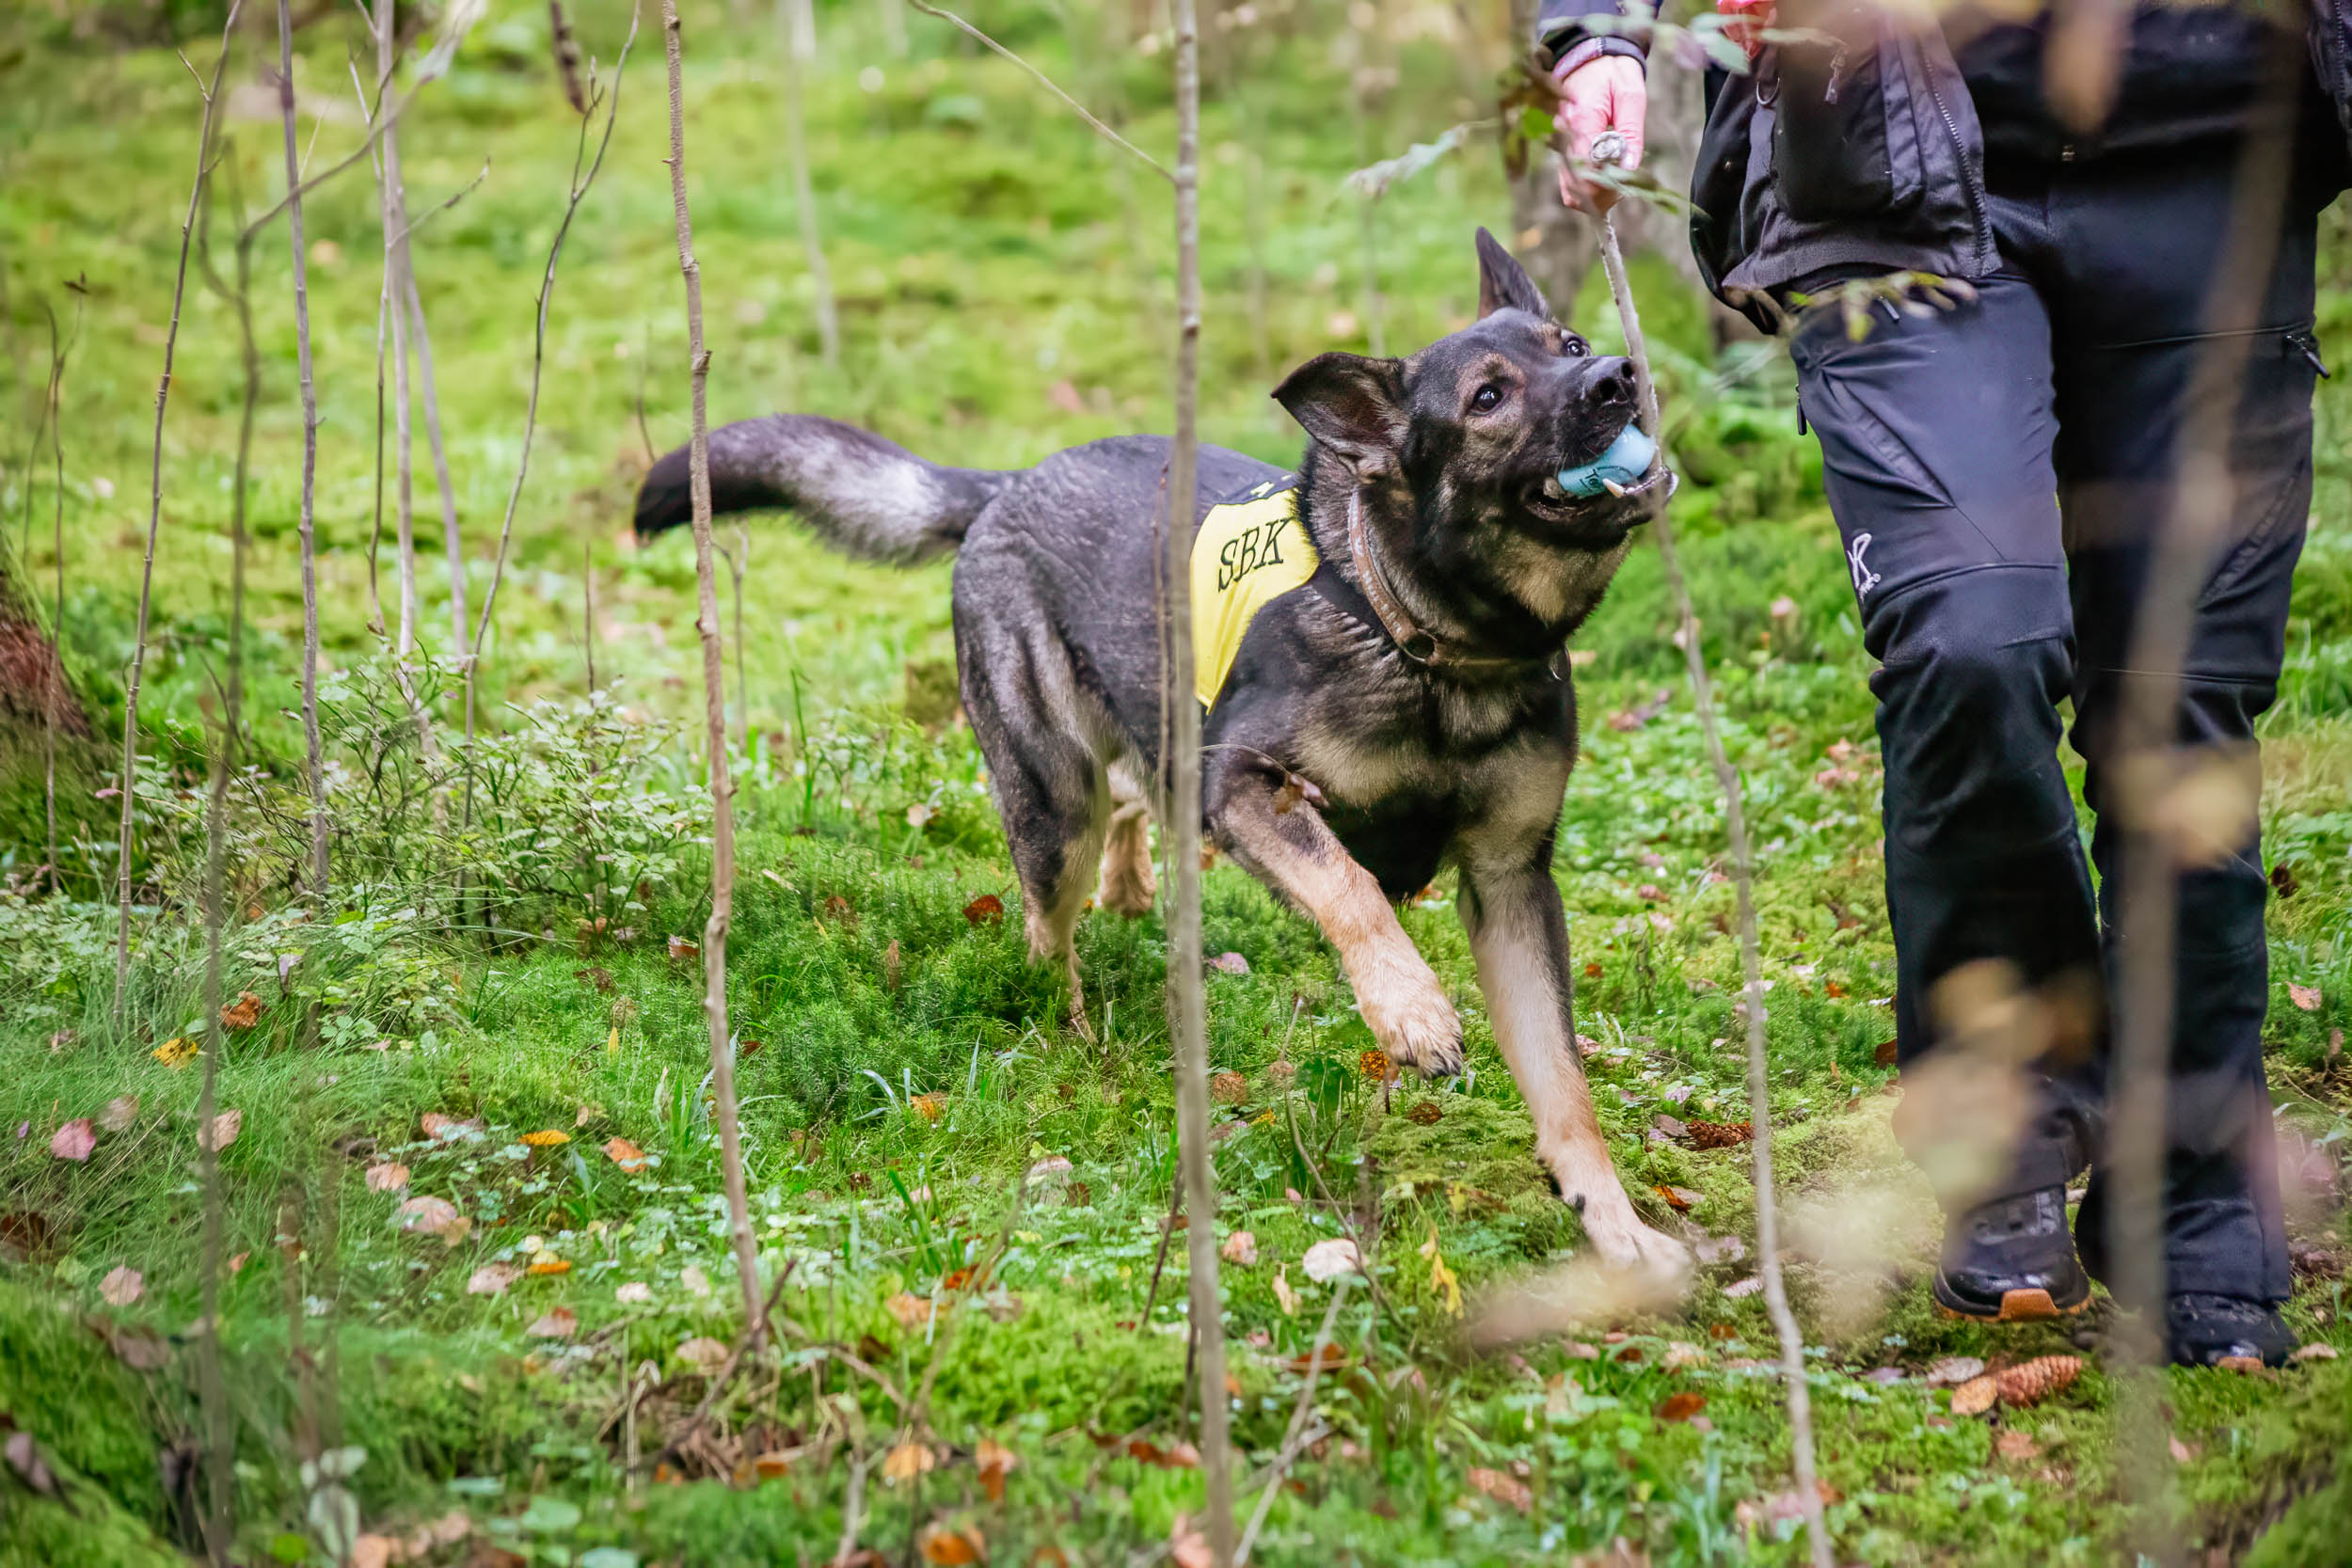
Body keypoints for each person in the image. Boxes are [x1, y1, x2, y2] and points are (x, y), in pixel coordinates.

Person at [1537, 0, 2349, 1365]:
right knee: (1969, 639)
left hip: (2219, 149)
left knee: (2182, 699)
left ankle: (2198, 1185)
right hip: (1891, 150)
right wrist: (1596, 33)